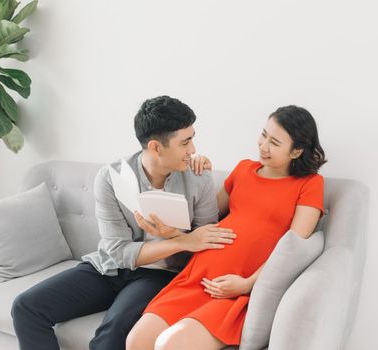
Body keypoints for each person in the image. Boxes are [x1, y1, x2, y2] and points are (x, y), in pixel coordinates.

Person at [11, 95, 236, 350]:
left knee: (113, 331)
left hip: (158, 275)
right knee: (26, 307)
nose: (193, 150)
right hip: (109, 268)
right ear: (155, 147)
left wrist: (175, 235)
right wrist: (182, 240)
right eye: (185, 142)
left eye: (192, 139)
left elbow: (205, 242)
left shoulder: (198, 178)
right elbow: (118, 252)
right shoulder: (110, 177)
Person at [125, 105, 328, 350]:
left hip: (235, 290)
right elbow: (204, 218)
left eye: (274, 142)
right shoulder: (243, 169)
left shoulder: (310, 184)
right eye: (263, 135)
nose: (263, 146)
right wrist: (196, 171)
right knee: (136, 341)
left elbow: (292, 250)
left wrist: (248, 283)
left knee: (170, 344)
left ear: (296, 151)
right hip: (197, 277)